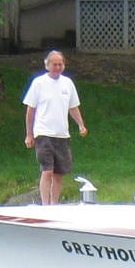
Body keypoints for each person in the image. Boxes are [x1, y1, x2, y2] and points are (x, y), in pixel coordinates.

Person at [23, 50, 87, 205]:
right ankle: (46, 205)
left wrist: (81, 125)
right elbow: (31, 110)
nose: (58, 67)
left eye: (61, 64)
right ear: (48, 65)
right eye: (55, 64)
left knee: (59, 174)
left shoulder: (67, 83)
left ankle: (54, 204)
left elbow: (73, 107)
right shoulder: (39, 83)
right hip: (44, 134)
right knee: (47, 171)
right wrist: (29, 134)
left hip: (62, 136)